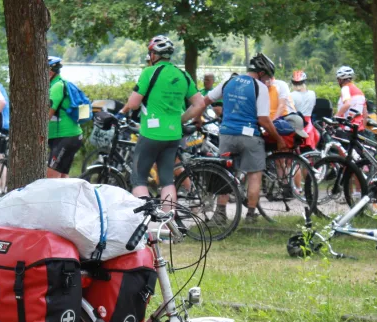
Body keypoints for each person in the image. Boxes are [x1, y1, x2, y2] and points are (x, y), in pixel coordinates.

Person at [116, 35, 204, 205]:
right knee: (167, 181)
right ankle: (168, 222)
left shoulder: (149, 72)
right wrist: (181, 119)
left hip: (151, 133)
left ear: (154, 54)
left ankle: (144, 223)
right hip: (173, 134)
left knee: (138, 180)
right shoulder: (183, 75)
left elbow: (133, 104)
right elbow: (199, 104)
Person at [203, 53, 286, 223]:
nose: (266, 81)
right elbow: (263, 119)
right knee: (254, 175)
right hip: (249, 136)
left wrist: (197, 119)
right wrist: (278, 138)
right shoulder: (259, 87)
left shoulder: (229, 81)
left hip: (226, 134)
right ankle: (250, 216)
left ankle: (220, 214)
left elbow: (206, 100)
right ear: (262, 73)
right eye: (267, 77)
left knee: (224, 173)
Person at [46, 56, 83, 178]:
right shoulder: (59, 83)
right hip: (70, 136)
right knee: (62, 178)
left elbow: (47, 115)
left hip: (64, 137)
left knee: (51, 180)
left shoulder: (56, 87)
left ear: (50, 71)